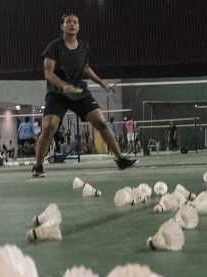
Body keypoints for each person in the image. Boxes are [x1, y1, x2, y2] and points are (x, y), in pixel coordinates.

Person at [32, 13, 136, 177]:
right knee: (49, 126)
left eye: (75, 22)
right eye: (68, 22)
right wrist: (64, 86)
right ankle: (38, 166)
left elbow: (85, 69)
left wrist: (103, 83)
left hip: (80, 92)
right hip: (57, 93)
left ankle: (120, 159)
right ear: (62, 26)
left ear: (78, 27)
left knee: (100, 122)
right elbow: (48, 73)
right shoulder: (54, 47)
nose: (72, 24)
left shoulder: (83, 47)